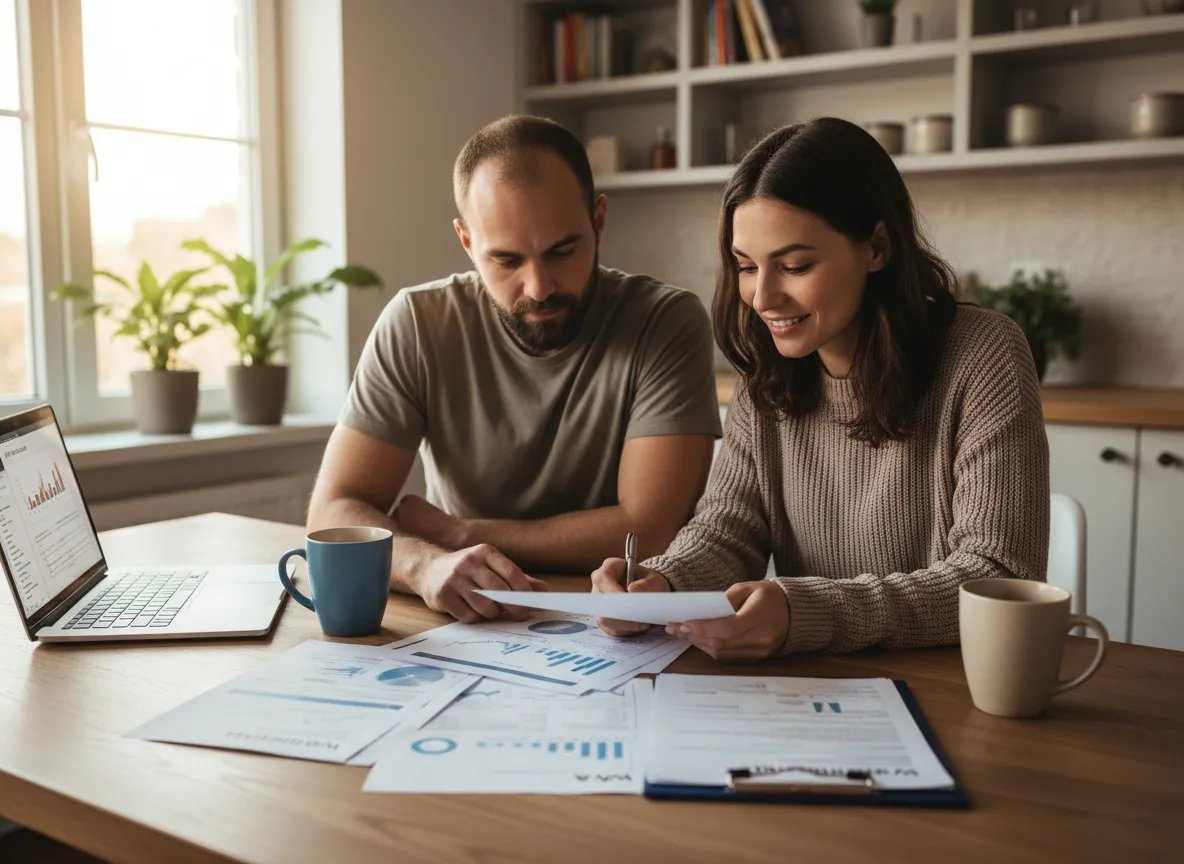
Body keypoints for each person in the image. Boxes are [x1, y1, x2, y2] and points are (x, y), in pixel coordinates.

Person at [593, 117, 1050, 660]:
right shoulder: (766, 373)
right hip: (813, 688)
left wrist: (807, 613)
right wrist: (659, 586)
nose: (762, 297)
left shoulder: (983, 354)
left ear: (877, 247)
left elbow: (994, 577)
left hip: (950, 685)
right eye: (745, 267)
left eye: (794, 265)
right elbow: (728, 530)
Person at [307, 115, 721, 624]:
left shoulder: (665, 322)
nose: (539, 286)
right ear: (465, 240)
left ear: (599, 221)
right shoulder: (418, 323)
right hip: (462, 617)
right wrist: (424, 564)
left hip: (610, 623)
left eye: (562, 251)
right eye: (505, 260)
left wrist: (461, 533)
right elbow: (334, 510)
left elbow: (651, 528)